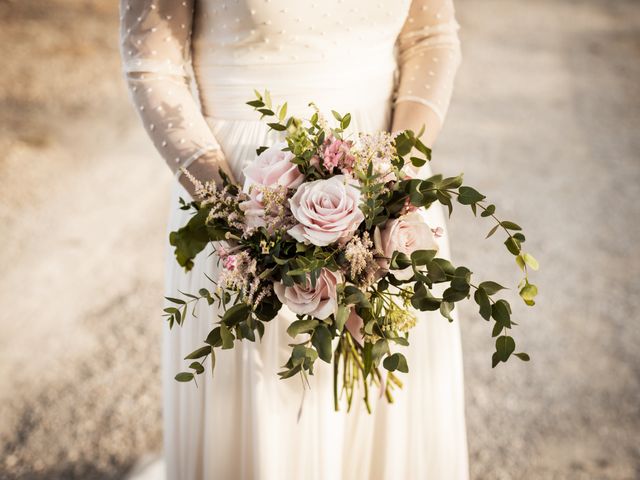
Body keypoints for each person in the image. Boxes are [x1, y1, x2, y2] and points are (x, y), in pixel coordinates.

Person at [120, 1, 468, 478]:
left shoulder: (391, 182)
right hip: (240, 190)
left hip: (385, 174)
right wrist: (234, 214)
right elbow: (151, 64)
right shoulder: (236, 211)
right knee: (259, 388)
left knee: (381, 372)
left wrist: (393, 177)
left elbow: (430, 39)